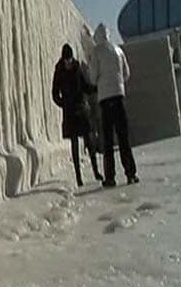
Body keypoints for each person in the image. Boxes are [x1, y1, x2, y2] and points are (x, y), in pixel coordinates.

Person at [89, 24, 139, 187]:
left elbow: (93, 77)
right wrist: (118, 84)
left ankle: (110, 177)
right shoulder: (118, 50)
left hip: (105, 99)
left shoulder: (97, 52)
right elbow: (127, 73)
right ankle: (131, 173)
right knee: (123, 137)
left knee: (108, 141)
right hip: (119, 97)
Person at [52, 43, 103, 187]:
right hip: (69, 111)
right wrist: (63, 103)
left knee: (89, 140)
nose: (68, 62)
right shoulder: (59, 71)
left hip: (81, 108)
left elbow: (85, 86)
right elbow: (54, 93)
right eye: (66, 60)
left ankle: (96, 171)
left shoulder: (77, 68)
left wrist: (95, 88)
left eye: (69, 59)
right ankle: (78, 177)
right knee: (74, 144)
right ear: (63, 59)